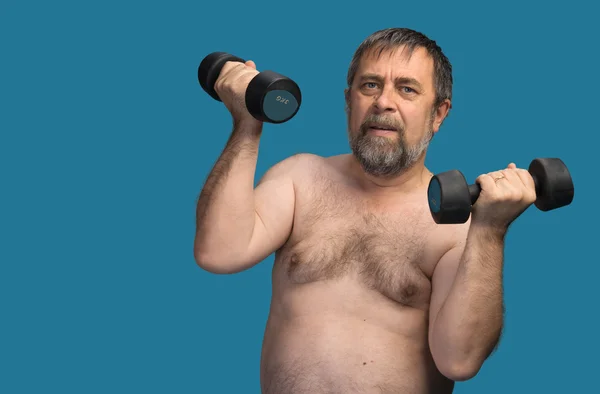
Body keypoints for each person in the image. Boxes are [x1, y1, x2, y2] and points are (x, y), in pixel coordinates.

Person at [194, 27, 537, 393]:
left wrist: (490, 232)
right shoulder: (300, 179)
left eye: (407, 89)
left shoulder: (456, 226)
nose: (383, 102)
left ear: (439, 113)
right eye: (370, 85)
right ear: (348, 101)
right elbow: (219, 252)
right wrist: (247, 125)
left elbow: (459, 360)